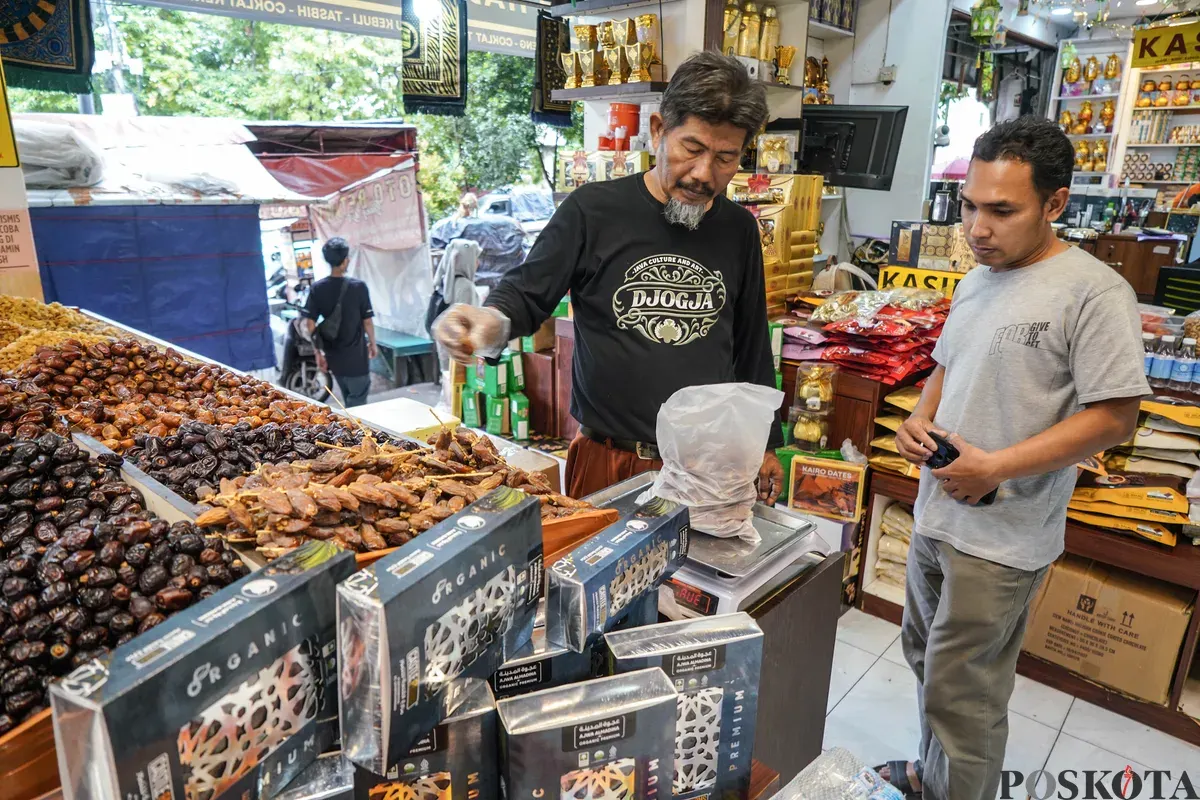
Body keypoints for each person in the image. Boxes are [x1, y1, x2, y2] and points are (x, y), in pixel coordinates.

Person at [888, 116, 1148, 800]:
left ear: (1055, 204)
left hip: (1001, 539)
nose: (978, 228)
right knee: (927, 662)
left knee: (964, 695)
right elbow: (948, 365)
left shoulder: (1093, 292)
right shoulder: (978, 279)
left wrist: (997, 467)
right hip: (937, 514)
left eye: (1002, 211)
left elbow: (1116, 418)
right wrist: (918, 418)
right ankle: (929, 776)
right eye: (970, 206)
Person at [432, 51, 784, 500]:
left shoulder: (737, 229)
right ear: (658, 131)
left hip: (708, 463)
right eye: (691, 150)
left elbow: (752, 344)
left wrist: (766, 443)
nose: (703, 174)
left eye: (725, 158)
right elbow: (527, 292)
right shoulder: (592, 211)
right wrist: (490, 321)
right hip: (610, 459)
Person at [302, 237, 378, 408]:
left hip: (333, 357)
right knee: (358, 405)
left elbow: (310, 323)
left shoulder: (317, 288)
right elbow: (367, 321)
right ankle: (356, 432)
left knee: (347, 400)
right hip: (356, 359)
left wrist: (317, 352)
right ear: (345, 261)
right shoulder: (358, 287)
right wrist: (373, 343)